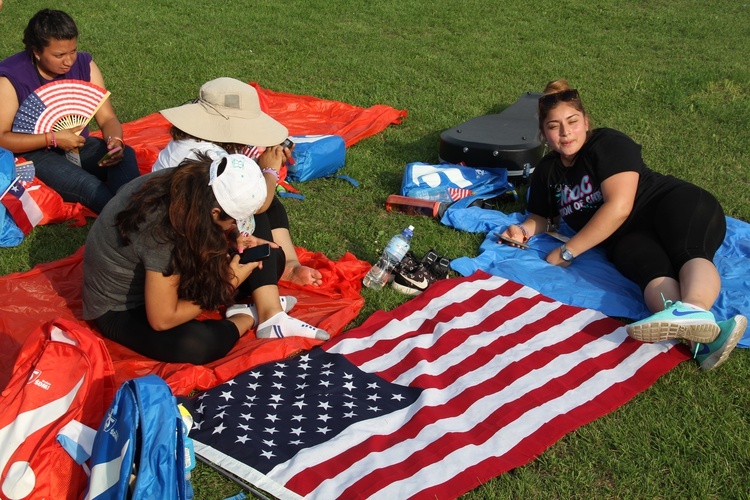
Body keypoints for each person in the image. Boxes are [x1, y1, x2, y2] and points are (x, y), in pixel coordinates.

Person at [498, 79, 746, 371]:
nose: (566, 133)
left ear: (586, 122)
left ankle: (693, 309)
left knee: (687, 251)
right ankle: (703, 341)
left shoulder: (608, 143)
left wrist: (568, 251)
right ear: (543, 133)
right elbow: (541, 217)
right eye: (554, 126)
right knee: (650, 273)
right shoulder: (547, 173)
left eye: (573, 121)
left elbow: (619, 207)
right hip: (625, 238)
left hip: (670, 204)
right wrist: (523, 230)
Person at [82, 153, 328, 365]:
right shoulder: (163, 232)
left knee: (270, 256)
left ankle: (266, 310)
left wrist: (233, 236)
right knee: (196, 345)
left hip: (171, 268)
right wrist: (227, 284)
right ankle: (249, 316)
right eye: (232, 220)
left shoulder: (196, 184)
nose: (235, 226)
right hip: (121, 306)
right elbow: (162, 319)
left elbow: (209, 230)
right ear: (215, 212)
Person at [153, 76, 323, 287]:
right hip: (185, 244)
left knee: (265, 199)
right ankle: (269, 302)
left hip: (186, 224)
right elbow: (258, 204)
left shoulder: (191, 142)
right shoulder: (210, 157)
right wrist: (269, 169)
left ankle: (289, 264)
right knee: (255, 208)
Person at [0, 9, 140, 214]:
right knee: (89, 186)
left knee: (125, 154)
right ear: (36, 52)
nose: (68, 61)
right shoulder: (10, 78)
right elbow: (2, 138)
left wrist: (115, 142)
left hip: (77, 145)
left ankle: (136, 210)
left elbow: (107, 117)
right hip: (35, 153)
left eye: (72, 51)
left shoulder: (85, 64)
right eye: (59, 55)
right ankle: (129, 218)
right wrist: (52, 138)